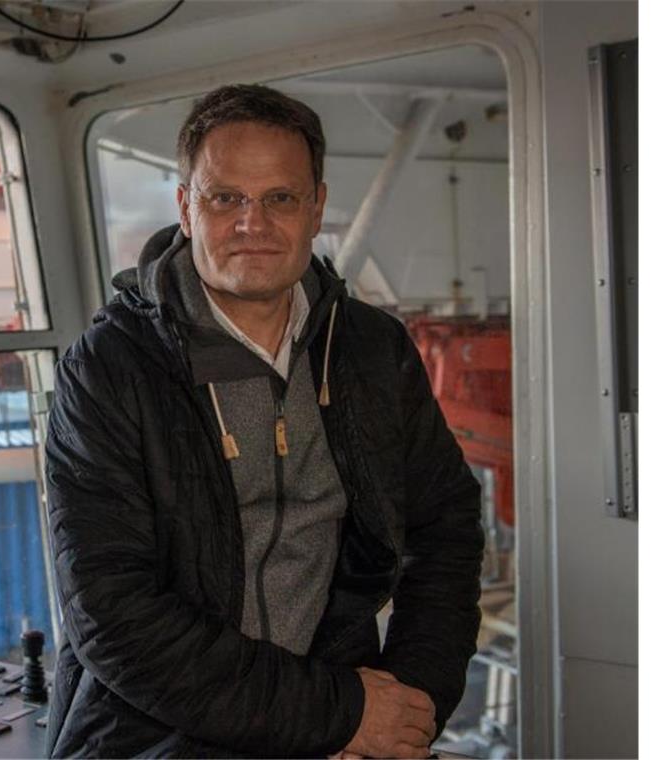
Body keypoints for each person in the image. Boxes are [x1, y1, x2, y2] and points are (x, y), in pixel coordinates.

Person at [43, 83, 483, 758]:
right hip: (160, 732)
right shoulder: (109, 370)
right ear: (187, 207)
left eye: (280, 197)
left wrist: (403, 705)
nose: (254, 223)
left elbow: (444, 530)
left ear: (316, 209)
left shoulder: (369, 349)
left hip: (343, 720)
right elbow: (114, 616)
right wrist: (336, 715)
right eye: (226, 198)